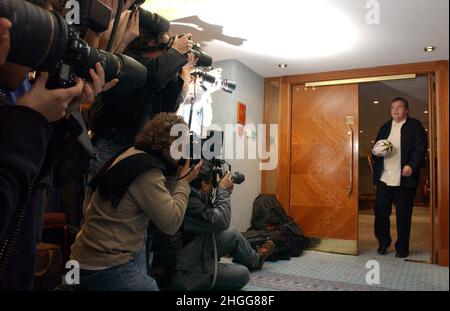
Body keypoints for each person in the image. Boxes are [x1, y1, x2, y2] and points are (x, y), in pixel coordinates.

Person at [70, 113, 202, 291]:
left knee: (143, 238)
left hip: (82, 259)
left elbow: (161, 202)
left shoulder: (132, 154)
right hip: (101, 266)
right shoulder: (147, 173)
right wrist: (184, 182)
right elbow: (171, 223)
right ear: (170, 144)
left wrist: (175, 176)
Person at [152, 160, 275, 291]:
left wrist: (223, 193)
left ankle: (256, 260)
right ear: (204, 184)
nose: (215, 185)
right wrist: (221, 191)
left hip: (193, 250)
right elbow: (220, 221)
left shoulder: (186, 191)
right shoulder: (189, 202)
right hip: (184, 272)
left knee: (232, 234)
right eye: (212, 183)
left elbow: (208, 218)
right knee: (243, 274)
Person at [372, 97, 427, 258]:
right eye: (392, 108)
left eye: (400, 107)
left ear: (406, 110)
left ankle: (402, 247)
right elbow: (375, 150)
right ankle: (383, 242)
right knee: (380, 213)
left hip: (404, 179)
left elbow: (421, 148)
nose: (395, 110)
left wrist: (412, 165)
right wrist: (375, 152)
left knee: (403, 216)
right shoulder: (384, 127)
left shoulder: (415, 126)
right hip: (384, 178)